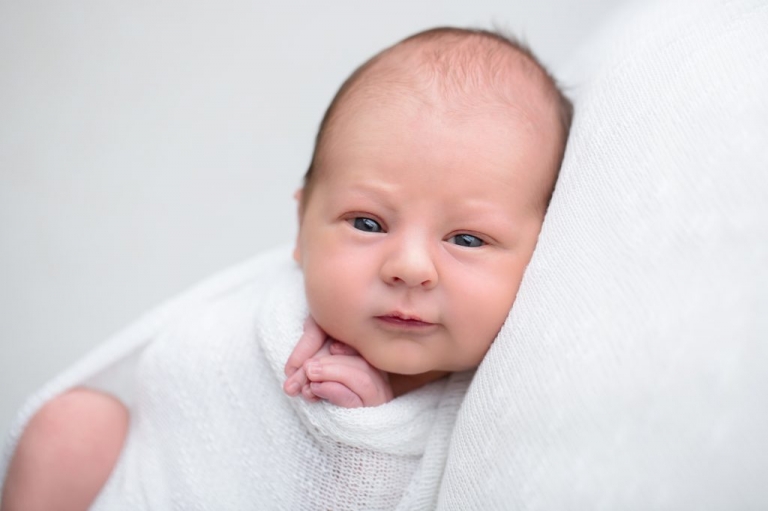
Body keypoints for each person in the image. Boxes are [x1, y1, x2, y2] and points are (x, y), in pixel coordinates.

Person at [1, 27, 572, 511]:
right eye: (367, 223)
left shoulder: (496, 412)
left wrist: (364, 434)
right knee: (75, 423)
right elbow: (184, 382)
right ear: (301, 229)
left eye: (467, 238)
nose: (408, 266)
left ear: (543, 255)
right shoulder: (275, 315)